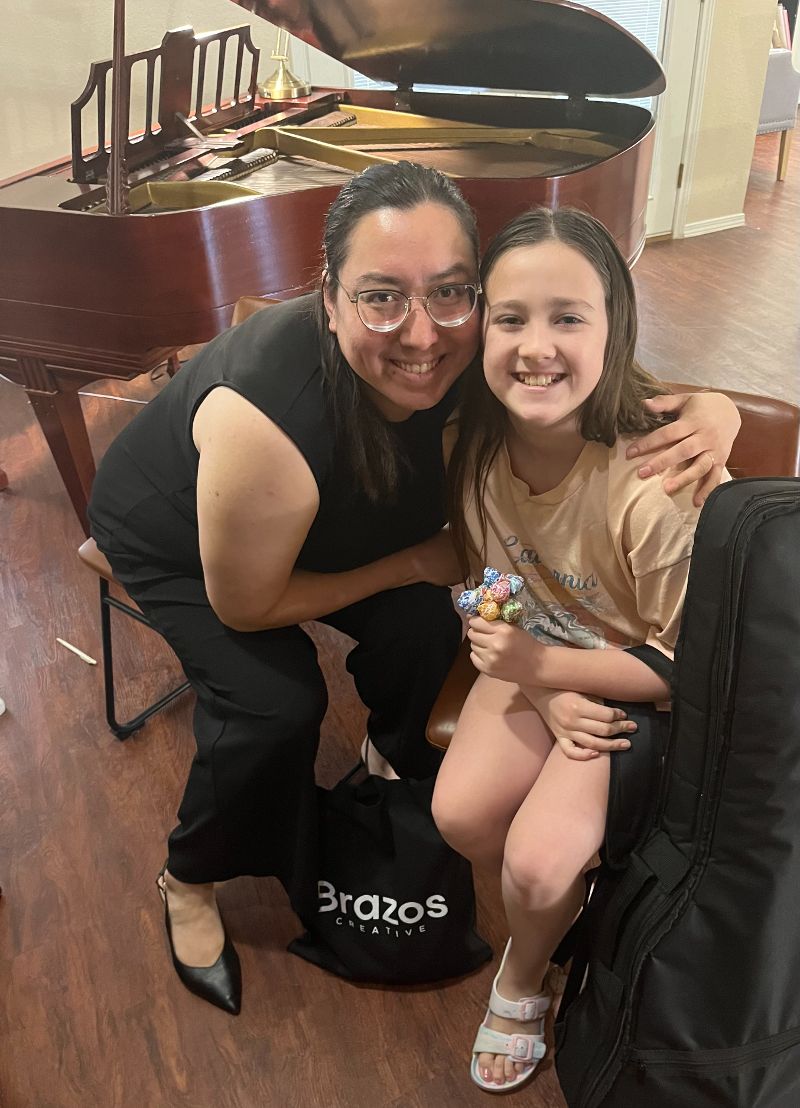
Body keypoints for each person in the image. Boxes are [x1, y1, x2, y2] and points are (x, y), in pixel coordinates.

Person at [88, 163, 738, 1017]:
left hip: (338, 518)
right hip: (189, 541)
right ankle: (190, 875)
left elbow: (600, 383)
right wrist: (415, 563)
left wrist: (715, 409)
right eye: (382, 297)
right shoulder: (269, 422)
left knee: (426, 626)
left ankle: (393, 757)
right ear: (328, 298)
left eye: (451, 293)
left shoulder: (474, 347)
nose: (423, 335)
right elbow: (248, 605)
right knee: (272, 701)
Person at [432, 206, 727, 1092]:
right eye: (511, 317)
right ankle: (560, 917)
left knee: (535, 857)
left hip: (636, 681)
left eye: (569, 317)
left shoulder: (651, 484)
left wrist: (548, 675)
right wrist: (520, 661)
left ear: (616, 328)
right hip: (538, 660)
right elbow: (488, 581)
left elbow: (692, 671)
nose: (535, 346)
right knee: (462, 817)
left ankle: (523, 977)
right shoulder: (473, 444)